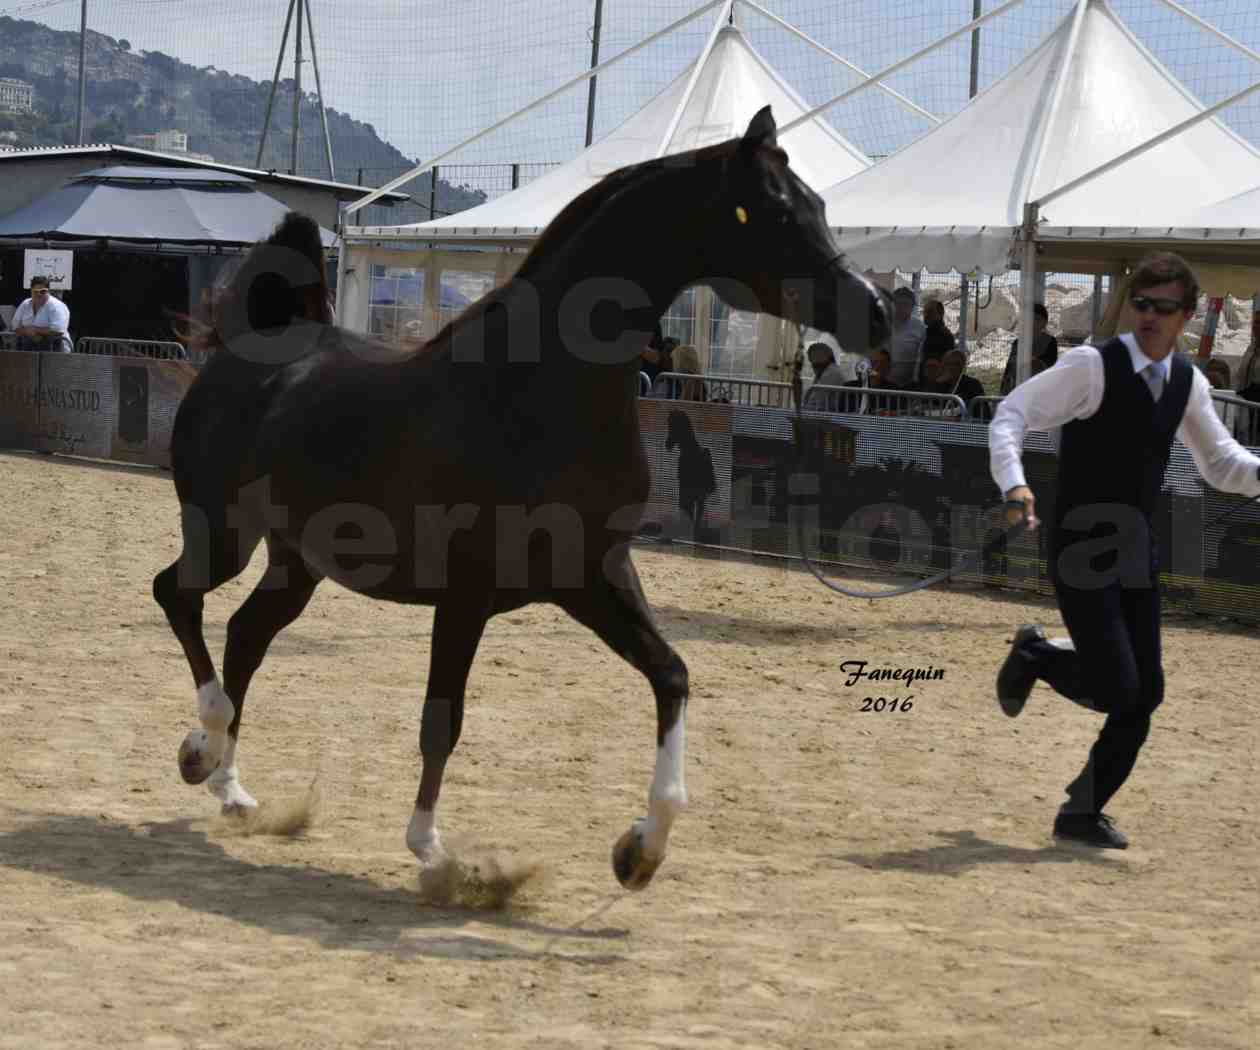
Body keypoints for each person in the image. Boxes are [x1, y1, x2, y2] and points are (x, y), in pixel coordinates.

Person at [990, 251, 1260, 849]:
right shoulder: (1092, 366)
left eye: (1165, 308)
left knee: (1147, 694)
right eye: (1141, 302)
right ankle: (1035, 655)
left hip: (1137, 545)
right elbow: (1011, 414)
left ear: (1187, 315)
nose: (1150, 316)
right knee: (1117, 686)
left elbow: (1221, 463)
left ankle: (1081, 813)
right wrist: (1014, 483)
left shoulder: (1189, 382)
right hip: (1080, 540)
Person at [1000, 302, 1058, 394]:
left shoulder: (1050, 342)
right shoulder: (1018, 342)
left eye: (1037, 319)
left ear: (1044, 322)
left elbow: (1050, 366)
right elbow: (1009, 370)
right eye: (1031, 319)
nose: (1033, 323)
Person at [11, 276, 72, 353]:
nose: (39, 294)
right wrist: (28, 332)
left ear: (48, 291)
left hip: (56, 351)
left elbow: (58, 330)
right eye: (35, 291)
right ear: (31, 291)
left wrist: (35, 330)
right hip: (30, 349)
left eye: (42, 291)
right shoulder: (25, 304)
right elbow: (15, 326)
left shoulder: (56, 306)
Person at [888, 286, 925, 389]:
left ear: (912, 306)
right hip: (885, 382)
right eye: (898, 304)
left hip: (910, 384)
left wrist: (915, 380)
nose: (901, 308)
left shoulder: (919, 327)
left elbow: (921, 357)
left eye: (905, 304)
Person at [920, 297, 956, 369]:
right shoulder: (926, 332)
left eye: (930, 312)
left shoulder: (945, 336)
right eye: (924, 312)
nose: (926, 315)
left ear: (940, 314)